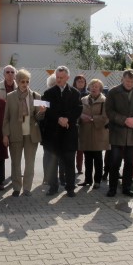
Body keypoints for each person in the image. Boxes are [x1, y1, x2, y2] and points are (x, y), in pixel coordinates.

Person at [40, 66, 82, 197]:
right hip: (53, 134)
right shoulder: (48, 93)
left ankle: (70, 188)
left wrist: (67, 119)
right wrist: (58, 119)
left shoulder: (75, 93)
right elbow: (46, 112)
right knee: (52, 163)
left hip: (69, 133)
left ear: (67, 78)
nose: (58, 80)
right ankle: (53, 187)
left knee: (69, 162)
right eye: (57, 77)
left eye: (61, 77)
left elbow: (78, 109)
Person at [104, 70, 133, 198]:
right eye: (127, 81)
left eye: (132, 82)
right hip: (117, 132)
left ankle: (127, 188)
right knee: (115, 162)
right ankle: (112, 188)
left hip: (132, 134)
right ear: (122, 79)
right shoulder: (113, 92)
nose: (129, 84)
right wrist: (124, 120)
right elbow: (109, 111)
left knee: (129, 162)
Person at [2, 70, 44, 196]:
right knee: (16, 162)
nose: (25, 84)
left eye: (27, 81)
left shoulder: (36, 96)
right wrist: (5, 134)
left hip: (32, 134)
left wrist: (41, 112)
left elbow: (39, 118)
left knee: (30, 163)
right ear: (17, 81)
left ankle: (27, 188)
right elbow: (6, 118)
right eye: (22, 81)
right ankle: (16, 187)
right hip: (15, 133)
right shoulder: (10, 96)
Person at [77, 79, 109, 189]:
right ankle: (87, 180)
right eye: (92, 86)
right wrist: (81, 117)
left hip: (98, 133)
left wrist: (92, 119)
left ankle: (97, 181)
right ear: (89, 88)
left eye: (97, 86)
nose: (94, 88)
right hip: (85, 132)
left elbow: (106, 117)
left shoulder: (104, 100)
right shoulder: (83, 99)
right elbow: (78, 113)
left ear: (100, 89)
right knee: (87, 158)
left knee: (98, 158)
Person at [73, 75, 88, 175]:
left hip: (84, 123)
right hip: (73, 122)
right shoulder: (71, 92)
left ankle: (79, 167)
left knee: (81, 147)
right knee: (71, 147)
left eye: (82, 81)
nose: (80, 83)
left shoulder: (87, 95)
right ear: (75, 82)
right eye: (79, 81)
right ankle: (69, 167)